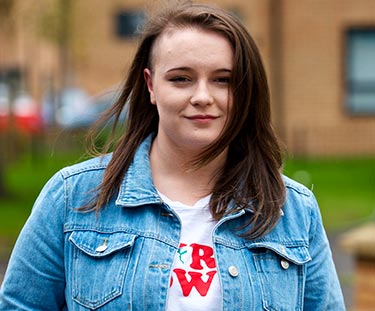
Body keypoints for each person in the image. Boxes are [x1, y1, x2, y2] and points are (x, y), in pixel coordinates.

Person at [0, 2, 345, 310]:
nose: (202, 96)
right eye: (181, 78)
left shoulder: (293, 211)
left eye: (223, 80)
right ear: (150, 85)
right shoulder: (72, 198)